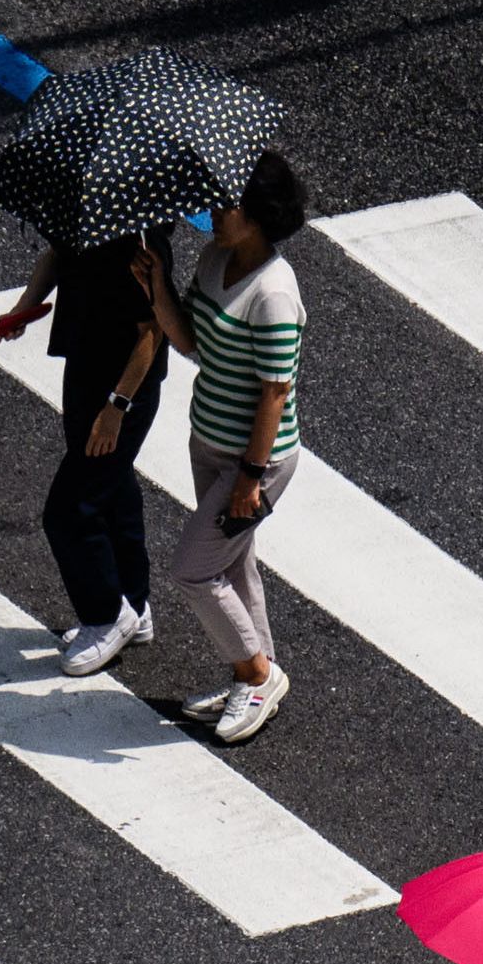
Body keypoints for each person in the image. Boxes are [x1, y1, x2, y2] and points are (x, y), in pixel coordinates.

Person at [135, 150, 309, 744]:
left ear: (260, 216)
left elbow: (275, 392)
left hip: (252, 461)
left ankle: (255, 672)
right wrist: (158, 284)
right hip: (207, 441)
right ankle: (259, 678)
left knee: (192, 571)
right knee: (233, 561)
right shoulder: (217, 258)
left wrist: (250, 476)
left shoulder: (274, 294)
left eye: (226, 204)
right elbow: (191, 344)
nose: (212, 212)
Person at [0, 225, 176, 676]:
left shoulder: (143, 242)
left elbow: (152, 332)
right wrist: (24, 308)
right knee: (114, 489)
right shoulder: (90, 211)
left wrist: (116, 407)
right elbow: (57, 251)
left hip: (124, 390)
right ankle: (135, 602)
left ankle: (107, 615)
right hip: (85, 365)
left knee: (70, 511)